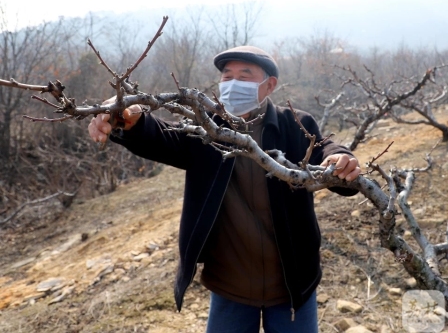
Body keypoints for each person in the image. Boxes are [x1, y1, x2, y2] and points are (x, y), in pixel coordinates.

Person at [88, 46, 361, 333]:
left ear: (269, 85)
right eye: (227, 76)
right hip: (229, 286)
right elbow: (164, 136)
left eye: (245, 75)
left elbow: (324, 151)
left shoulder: (295, 124)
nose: (233, 84)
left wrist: (342, 160)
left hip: (293, 285)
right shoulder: (207, 128)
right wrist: (130, 121)